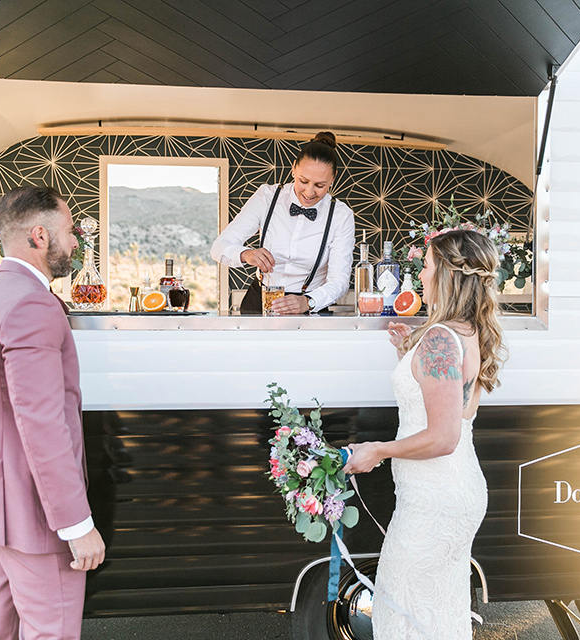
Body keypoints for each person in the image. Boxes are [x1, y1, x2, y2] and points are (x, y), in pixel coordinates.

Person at [0, 186, 106, 639]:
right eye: (69, 230)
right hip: (35, 515)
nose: (76, 242)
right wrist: (76, 524)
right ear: (39, 236)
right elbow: (42, 425)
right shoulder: (32, 305)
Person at [342, 229, 507, 640]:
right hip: (457, 492)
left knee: (401, 613)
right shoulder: (469, 331)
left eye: (428, 266)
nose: (422, 275)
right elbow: (463, 409)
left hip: (434, 501)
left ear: (448, 275)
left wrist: (377, 450)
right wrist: (407, 358)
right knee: (436, 614)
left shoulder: (438, 339)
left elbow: (444, 435)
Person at [211, 131, 356, 314]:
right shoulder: (267, 196)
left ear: (333, 179)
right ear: (294, 168)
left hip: (310, 307)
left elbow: (339, 281)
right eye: (303, 181)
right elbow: (219, 247)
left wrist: (308, 302)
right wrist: (246, 254)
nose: (310, 192)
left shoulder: (341, 216)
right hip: (260, 301)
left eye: (320, 185)